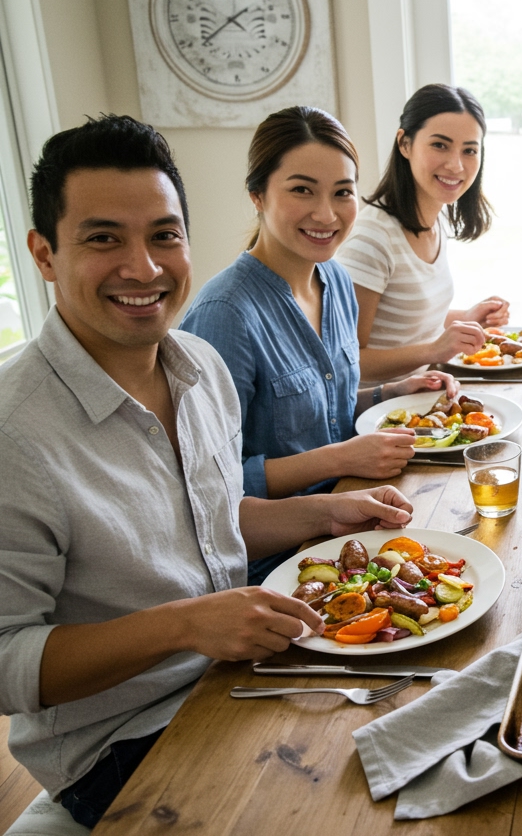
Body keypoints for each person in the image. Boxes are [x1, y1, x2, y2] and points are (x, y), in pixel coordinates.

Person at [0, 115, 416, 829]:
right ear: (43, 253)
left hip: (238, 676)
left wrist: (327, 513)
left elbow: (209, 520)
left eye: (163, 235)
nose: (144, 267)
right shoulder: (15, 429)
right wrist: (187, 626)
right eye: (104, 238)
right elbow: (7, 663)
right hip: (122, 743)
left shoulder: (200, 369)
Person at [181, 108, 454, 583]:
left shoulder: (336, 280)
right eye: (302, 190)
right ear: (257, 195)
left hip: (353, 517)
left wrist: (391, 393)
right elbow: (213, 486)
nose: (326, 214)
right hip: (278, 560)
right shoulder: (224, 314)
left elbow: (329, 412)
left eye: (342, 193)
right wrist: (342, 457)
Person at [336, 84, 509, 383]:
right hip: (376, 413)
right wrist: (434, 351)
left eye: (469, 150)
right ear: (405, 144)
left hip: (422, 397)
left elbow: (403, 324)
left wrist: (464, 318)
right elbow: (347, 361)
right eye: (440, 145)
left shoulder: (435, 217)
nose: (456, 165)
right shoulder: (372, 238)